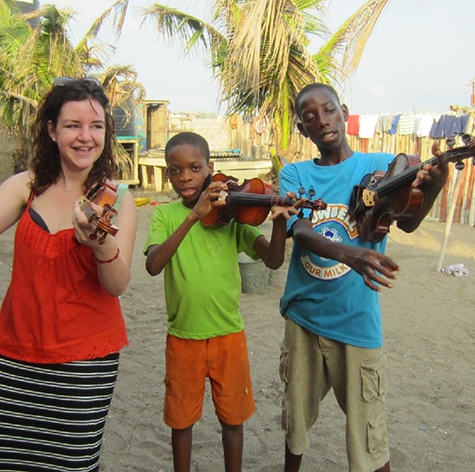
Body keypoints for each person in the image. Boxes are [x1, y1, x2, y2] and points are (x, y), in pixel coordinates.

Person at [278, 83, 449, 472]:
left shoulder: (384, 166)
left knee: (370, 439)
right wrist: (351, 253)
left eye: (328, 110)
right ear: (303, 130)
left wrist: (435, 186)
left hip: (356, 322)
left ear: (344, 112)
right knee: (295, 429)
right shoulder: (295, 174)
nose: (321, 120)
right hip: (303, 318)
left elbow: (406, 223)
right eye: (309, 117)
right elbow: (300, 231)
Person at [0, 77, 137, 471]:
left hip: (82, 366)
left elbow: (117, 285)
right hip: (13, 356)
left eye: (96, 127)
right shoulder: (27, 186)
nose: (85, 137)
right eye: (73, 125)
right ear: (52, 130)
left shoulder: (115, 199)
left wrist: (99, 243)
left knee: (70, 464)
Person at [144, 131, 299, 472]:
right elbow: (154, 265)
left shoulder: (231, 218)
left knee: (233, 421)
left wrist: (280, 223)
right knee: (181, 422)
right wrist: (193, 216)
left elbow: (272, 261)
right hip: (183, 336)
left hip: (228, 335)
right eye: (175, 170)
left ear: (210, 168)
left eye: (195, 168)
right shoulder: (167, 216)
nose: (185, 177)